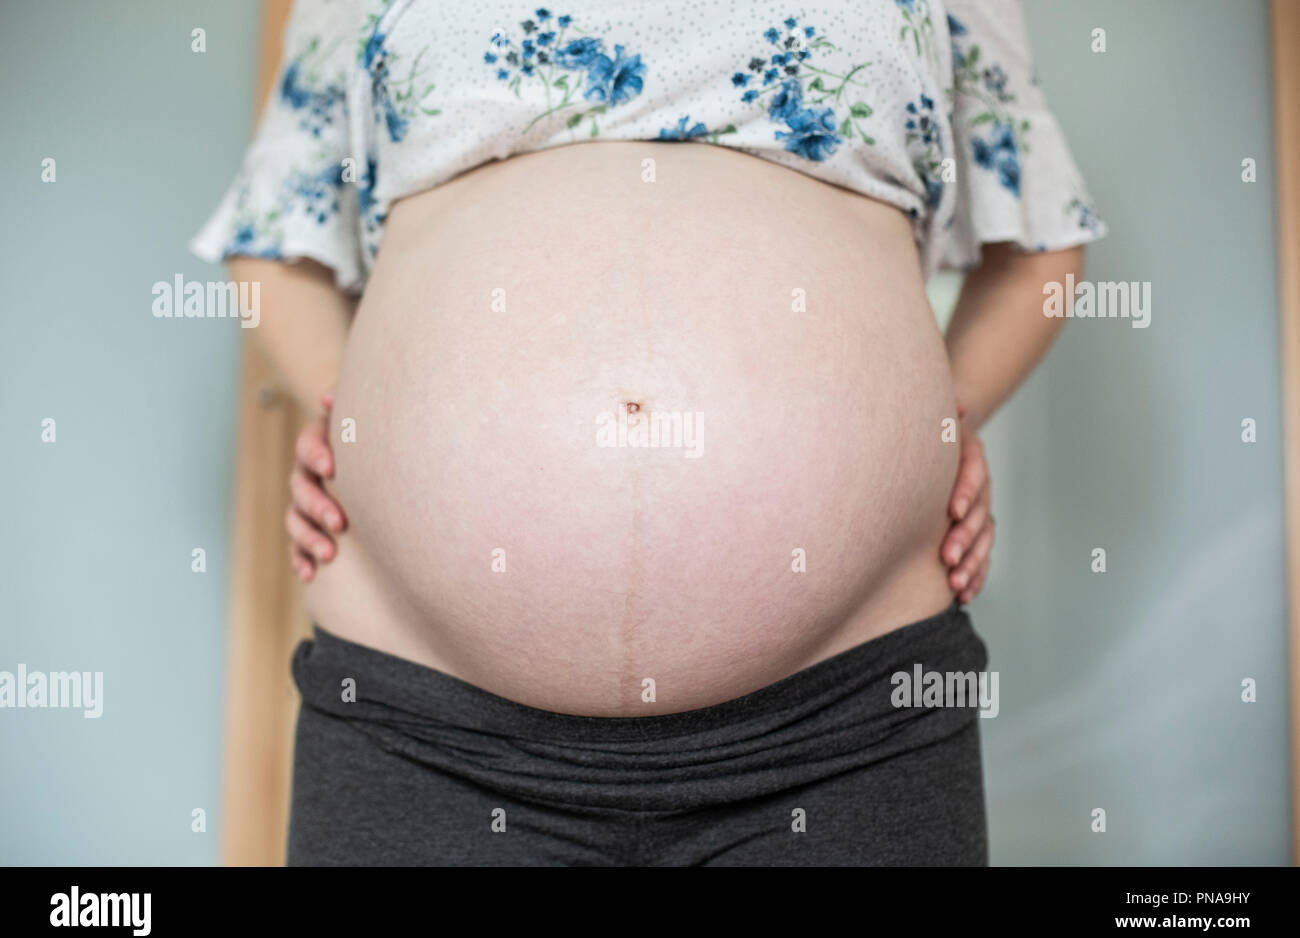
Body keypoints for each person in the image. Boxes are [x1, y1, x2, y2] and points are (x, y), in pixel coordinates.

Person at [192, 0, 1105, 865]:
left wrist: (934, 423)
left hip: (848, 715)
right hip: (424, 721)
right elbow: (276, 233)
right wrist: (352, 417)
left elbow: (1043, 243)